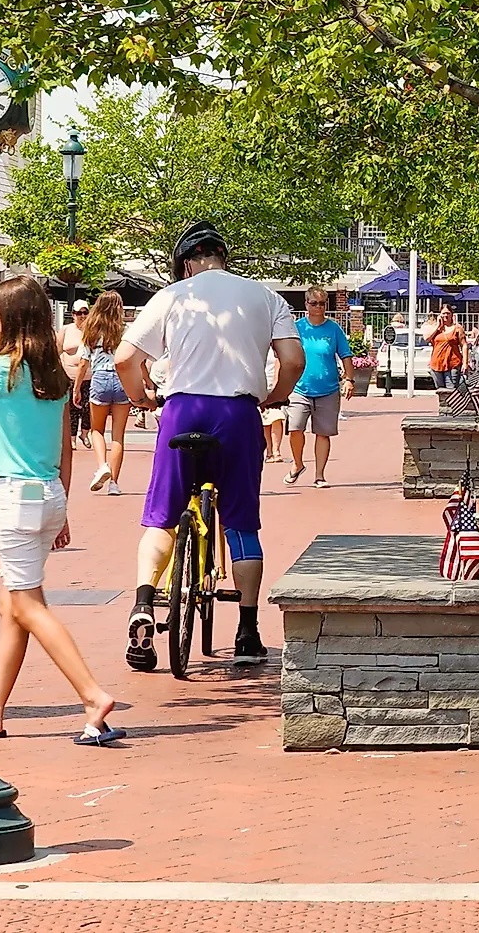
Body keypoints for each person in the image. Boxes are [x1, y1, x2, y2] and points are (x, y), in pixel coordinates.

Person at [117, 222, 303, 670]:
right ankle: (247, 630)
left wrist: (141, 398)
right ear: (224, 257)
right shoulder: (265, 296)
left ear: (186, 264)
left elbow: (126, 358)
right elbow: (293, 359)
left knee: (162, 518)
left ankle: (143, 602)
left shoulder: (172, 296)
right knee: (241, 524)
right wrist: (274, 396)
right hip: (237, 414)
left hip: (183, 409)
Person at [0, 274, 123, 744]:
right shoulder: (54, 372)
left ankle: (93, 695)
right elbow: (65, 449)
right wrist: (65, 509)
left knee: (28, 606)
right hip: (49, 492)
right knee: (15, 607)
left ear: (8, 320)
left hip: (15, 497)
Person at [286, 287, 351, 487]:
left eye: (322, 303)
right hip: (299, 388)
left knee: (323, 433)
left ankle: (319, 475)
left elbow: (346, 355)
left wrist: (349, 379)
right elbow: (286, 354)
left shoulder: (333, 329)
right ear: (306, 304)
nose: (318, 307)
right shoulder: (297, 328)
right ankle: (297, 464)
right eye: (314, 303)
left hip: (328, 390)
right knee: (295, 428)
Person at [71, 292, 131, 494]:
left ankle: (102, 465)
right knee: (118, 436)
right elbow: (134, 360)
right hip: (121, 379)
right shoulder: (125, 330)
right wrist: (145, 383)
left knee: (97, 429)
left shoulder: (92, 329)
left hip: (100, 379)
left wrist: (77, 387)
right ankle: (114, 484)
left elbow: (83, 362)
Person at [425, 307, 464, 395]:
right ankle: (442, 409)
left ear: (452, 315)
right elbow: (427, 338)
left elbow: (464, 345)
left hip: (452, 363)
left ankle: (451, 409)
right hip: (436, 364)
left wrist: (465, 363)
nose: (445, 315)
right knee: (440, 392)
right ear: (440, 315)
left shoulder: (457, 328)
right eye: (443, 313)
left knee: (451, 392)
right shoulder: (435, 328)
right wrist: (438, 326)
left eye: (448, 313)